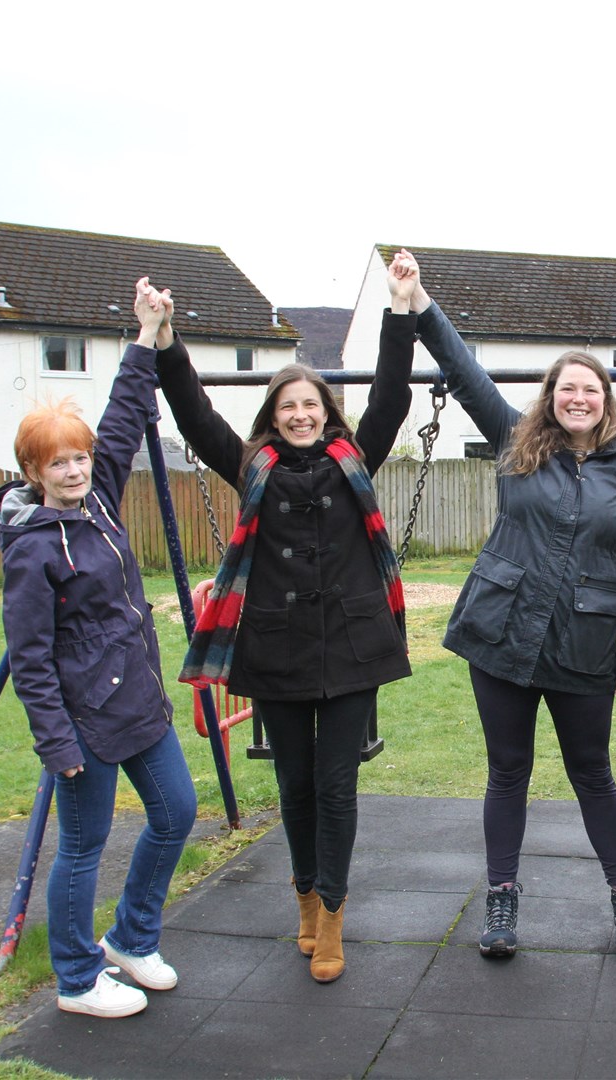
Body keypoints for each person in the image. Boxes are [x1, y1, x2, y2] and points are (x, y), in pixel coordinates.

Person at [153, 256, 416, 985]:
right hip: (275, 648)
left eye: (313, 406)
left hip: (354, 647)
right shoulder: (250, 468)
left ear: (329, 413)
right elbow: (194, 414)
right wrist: (167, 339)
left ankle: (332, 911)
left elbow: (392, 398)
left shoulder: (352, 459)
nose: (301, 416)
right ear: (273, 417)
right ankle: (303, 895)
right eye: (288, 408)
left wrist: (400, 311)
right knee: (294, 786)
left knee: (338, 785)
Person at [401, 251, 616, 959]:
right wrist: (421, 301)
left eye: (592, 391)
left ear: (606, 401)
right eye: (568, 388)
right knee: (507, 771)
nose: (579, 398)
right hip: (502, 635)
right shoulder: (518, 442)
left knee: (593, 773)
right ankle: (501, 903)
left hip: (584, 646)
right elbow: (462, 372)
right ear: (551, 395)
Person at [0, 278, 197, 1019]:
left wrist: (146, 333)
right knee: (83, 845)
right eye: (58, 464)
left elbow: (126, 412)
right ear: (34, 473)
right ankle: (75, 979)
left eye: (78, 458)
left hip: (138, 699)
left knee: (176, 814)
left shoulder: (99, 497)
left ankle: (131, 939)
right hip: (83, 723)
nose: (74, 470)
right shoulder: (32, 551)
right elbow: (30, 657)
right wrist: (56, 740)